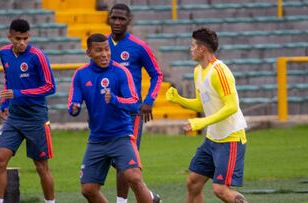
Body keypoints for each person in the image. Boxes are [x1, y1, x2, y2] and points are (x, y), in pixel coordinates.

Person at [166, 27, 248, 203]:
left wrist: (202, 122)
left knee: (220, 189)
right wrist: (179, 99)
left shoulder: (220, 71)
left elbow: (232, 106)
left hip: (230, 138)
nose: (190, 49)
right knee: (193, 181)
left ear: (201, 48)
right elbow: (201, 103)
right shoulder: (198, 71)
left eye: (192, 45)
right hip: (213, 139)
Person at [68, 33, 153, 203]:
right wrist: (74, 107)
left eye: (107, 49)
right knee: (88, 189)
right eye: (99, 50)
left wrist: (115, 99)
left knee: (134, 178)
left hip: (121, 135)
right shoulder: (80, 74)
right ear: (89, 53)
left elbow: (134, 103)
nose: (105, 54)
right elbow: (73, 101)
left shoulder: (121, 72)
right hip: (97, 139)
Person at [0, 19, 56, 203]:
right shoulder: (4, 53)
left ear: (30, 36)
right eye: (18, 38)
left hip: (36, 118)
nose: (22, 43)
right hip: (15, 118)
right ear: (10, 37)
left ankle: (50, 202)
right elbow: (8, 79)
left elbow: (50, 87)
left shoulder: (38, 56)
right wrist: (5, 102)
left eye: (25, 38)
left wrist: (18, 93)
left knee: (41, 166)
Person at [107, 3, 163, 203]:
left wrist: (148, 100)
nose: (117, 22)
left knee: (125, 161)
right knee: (114, 161)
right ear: (109, 19)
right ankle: (148, 196)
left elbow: (157, 74)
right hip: (106, 114)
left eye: (122, 19)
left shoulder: (139, 47)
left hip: (131, 113)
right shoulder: (102, 46)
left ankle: (123, 201)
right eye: (114, 18)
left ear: (129, 21)